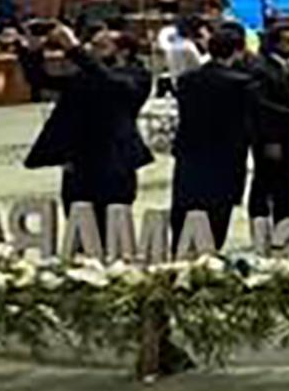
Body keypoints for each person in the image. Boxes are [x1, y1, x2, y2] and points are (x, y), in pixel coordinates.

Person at [20, 23, 154, 215]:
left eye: (101, 46)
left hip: (114, 161)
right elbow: (40, 80)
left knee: (113, 221)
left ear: (123, 52)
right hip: (79, 159)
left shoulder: (137, 75)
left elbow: (111, 84)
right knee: (77, 218)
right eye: (91, 45)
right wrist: (33, 52)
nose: (91, 49)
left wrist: (74, 49)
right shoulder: (85, 74)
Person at [169, 23, 258, 249]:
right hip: (225, 155)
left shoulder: (187, 80)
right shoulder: (242, 84)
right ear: (237, 52)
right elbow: (247, 124)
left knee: (185, 207)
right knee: (217, 212)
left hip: (191, 151)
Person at [247, 23, 289, 223]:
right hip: (272, 136)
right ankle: (260, 224)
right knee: (264, 183)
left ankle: (284, 223)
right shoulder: (261, 68)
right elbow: (259, 104)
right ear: (275, 43)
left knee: (287, 183)